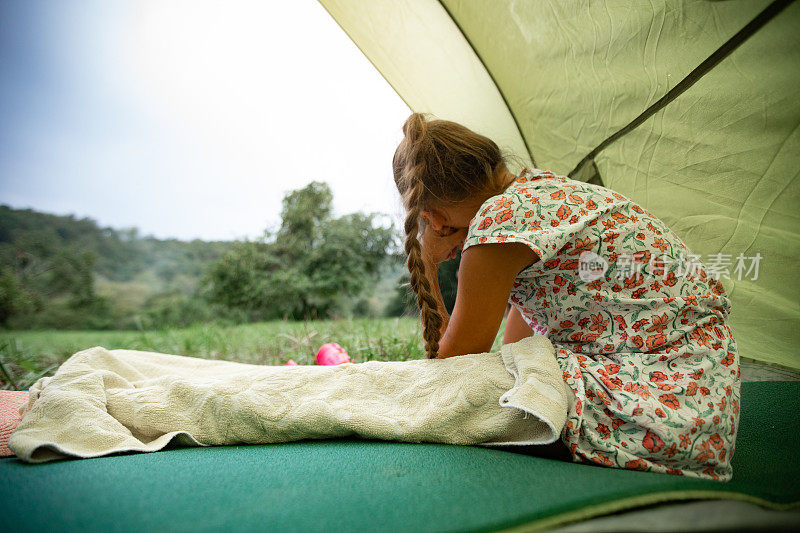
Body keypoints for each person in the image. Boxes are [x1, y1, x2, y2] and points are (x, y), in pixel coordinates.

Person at [392, 112, 740, 481]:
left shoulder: (497, 222)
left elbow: (455, 364)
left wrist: (427, 265)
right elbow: (516, 347)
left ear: (433, 218)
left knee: (456, 399)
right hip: (704, 392)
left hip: (659, 407)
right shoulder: (539, 189)